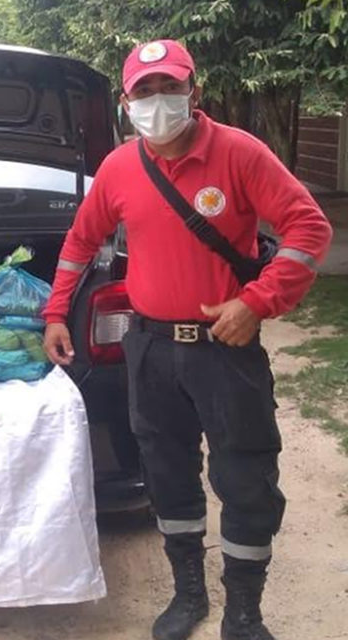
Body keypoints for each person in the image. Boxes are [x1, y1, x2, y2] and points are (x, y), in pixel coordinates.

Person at [42, 40, 332, 640]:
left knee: (246, 477)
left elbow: (309, 228)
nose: (157, 102)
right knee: (166, 471)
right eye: (144, 92)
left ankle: (244, 613)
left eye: (168, 88)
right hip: (149, 348)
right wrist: (54, 315)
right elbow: (78, 243)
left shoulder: (240, 153)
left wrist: (256, 302)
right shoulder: (120, 168)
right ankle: (188, 595)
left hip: (225, 350)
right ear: (127, 103)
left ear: (193, 92)